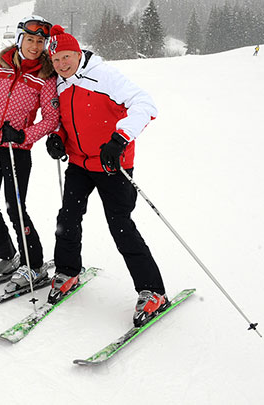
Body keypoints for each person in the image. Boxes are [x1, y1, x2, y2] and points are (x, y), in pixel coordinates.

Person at [44, 25, 167, 326]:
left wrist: (120, 138)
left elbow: (145, 104)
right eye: (56, 59)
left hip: (114, 165)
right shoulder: (60, 83)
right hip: (79, 164)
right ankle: (68, 271)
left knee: (121, 226)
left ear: (78, 52)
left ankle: (153, 292)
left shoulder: (104, 76)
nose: (62, 64)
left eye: (67, 57)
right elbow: (64, 118)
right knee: (67, 219)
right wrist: (57, 136)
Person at [0, 16, 59, 293]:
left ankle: (35, 264)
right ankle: (5, 255)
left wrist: (23, 135)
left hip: (17, 150)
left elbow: (51, 119)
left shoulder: (46, 76)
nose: (34, 45)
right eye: (30, 39)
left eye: (40, 41)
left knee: (15, 208)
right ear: (20, 40)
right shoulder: (3, 65)